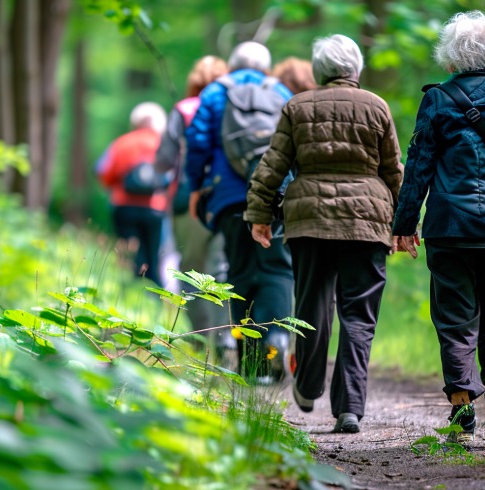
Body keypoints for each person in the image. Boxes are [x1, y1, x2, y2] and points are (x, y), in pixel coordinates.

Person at [392, 11, 485, 443]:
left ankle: (462, 405)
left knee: (455, 319)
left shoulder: (439, 100)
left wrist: (404, 223)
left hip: (450, 227)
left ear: (451, 57)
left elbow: (419, 166)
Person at [246, 34, 403, 433]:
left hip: (309, 219)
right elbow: (393, 171)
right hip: (367, 221)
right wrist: (404, 224)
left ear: (319, 71)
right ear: (355, 70)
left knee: (312, 303)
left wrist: (260, 213)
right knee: (359, 315)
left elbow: (273, 164)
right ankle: (349, 407)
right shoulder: (377, 106)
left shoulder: (297, 106)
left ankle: (309, 384)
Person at [184, 42, 295, 382]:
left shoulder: (216, 92)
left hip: (229, 195)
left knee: (239, 272)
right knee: (277, 268)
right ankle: (276, 342)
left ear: (231, 65)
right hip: (275, 192)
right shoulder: (279, 90)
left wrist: (196, 185)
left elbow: (198, 142)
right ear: (266, 66)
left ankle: (251, 363)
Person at [154, 56, 232, 340]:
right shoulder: (233, 108)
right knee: (222, 268)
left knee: (191, 270)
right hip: (230, 196)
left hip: (189, 199)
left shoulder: (185, 110)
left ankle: (201, 338)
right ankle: (225, 336)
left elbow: (163, 160)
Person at [97, 102, 168, 286]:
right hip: (155, 209)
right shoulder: (162, 145)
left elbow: (104, 173)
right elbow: (174, 178)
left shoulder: (122, 143)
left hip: (124, 207)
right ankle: (153, 298)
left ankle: (129, 293)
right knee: (154, 257)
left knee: (128, 257)